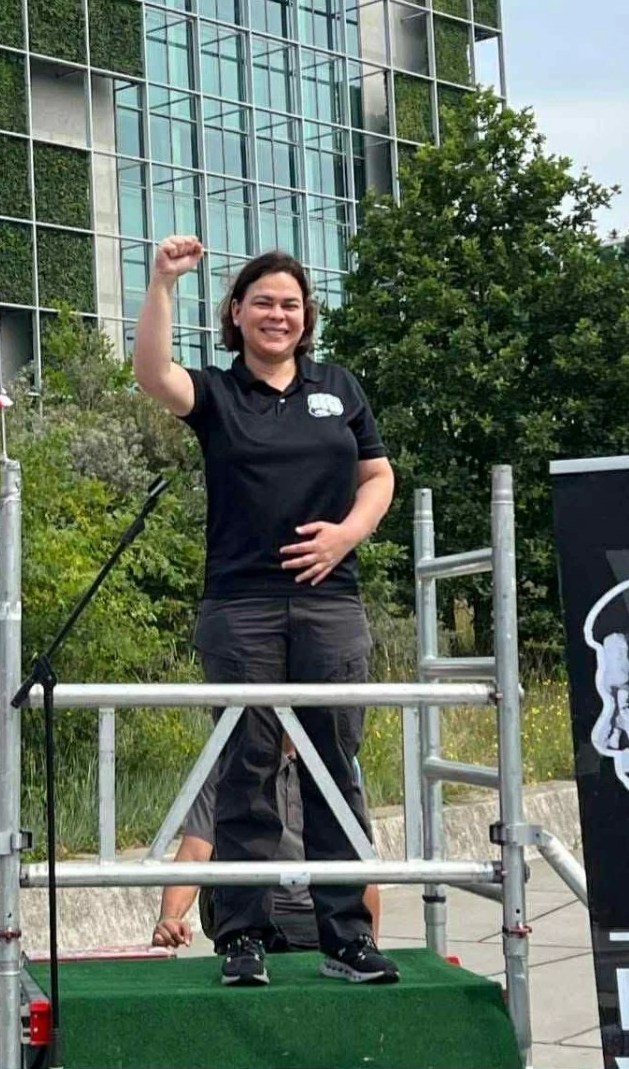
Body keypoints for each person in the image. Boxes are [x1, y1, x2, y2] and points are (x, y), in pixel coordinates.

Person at [134, 237, 399, 987]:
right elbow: (152, 373)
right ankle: (242, 936)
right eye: (263, 302)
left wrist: (347, 532)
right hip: (241, 605)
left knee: (331, 765)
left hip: (330, 606)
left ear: (305, 316)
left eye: (290, 303)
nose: (277, 314)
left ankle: (345, 935)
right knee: (247, 767)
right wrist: (161, 282)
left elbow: (378, 475)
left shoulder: (338, 387)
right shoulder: (219, 393)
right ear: (237, 313)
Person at [152, 741, 382, 954]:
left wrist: (366, 943)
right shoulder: (225, 763)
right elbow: (194, 853)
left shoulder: (337, 764)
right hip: (249, 921)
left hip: (321, 917)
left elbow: (359, 865)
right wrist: (169, 918)